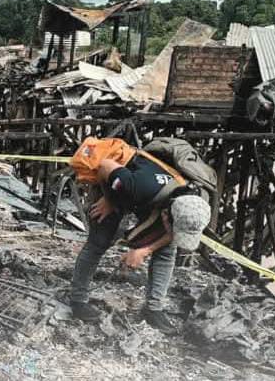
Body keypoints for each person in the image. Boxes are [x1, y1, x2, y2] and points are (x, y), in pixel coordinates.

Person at [68, 142, 211, 333]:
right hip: (120, 183)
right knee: (99, 242)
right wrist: (110, 199)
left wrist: (144, 250)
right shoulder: (136, 187)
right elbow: (105, 166)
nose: (174, 234)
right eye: (172, 227)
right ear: (166, 215)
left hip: (155, 197)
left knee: (167, 251)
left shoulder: (199, 201)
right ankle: (78, 300)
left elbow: (172, 235)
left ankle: (153, 309)